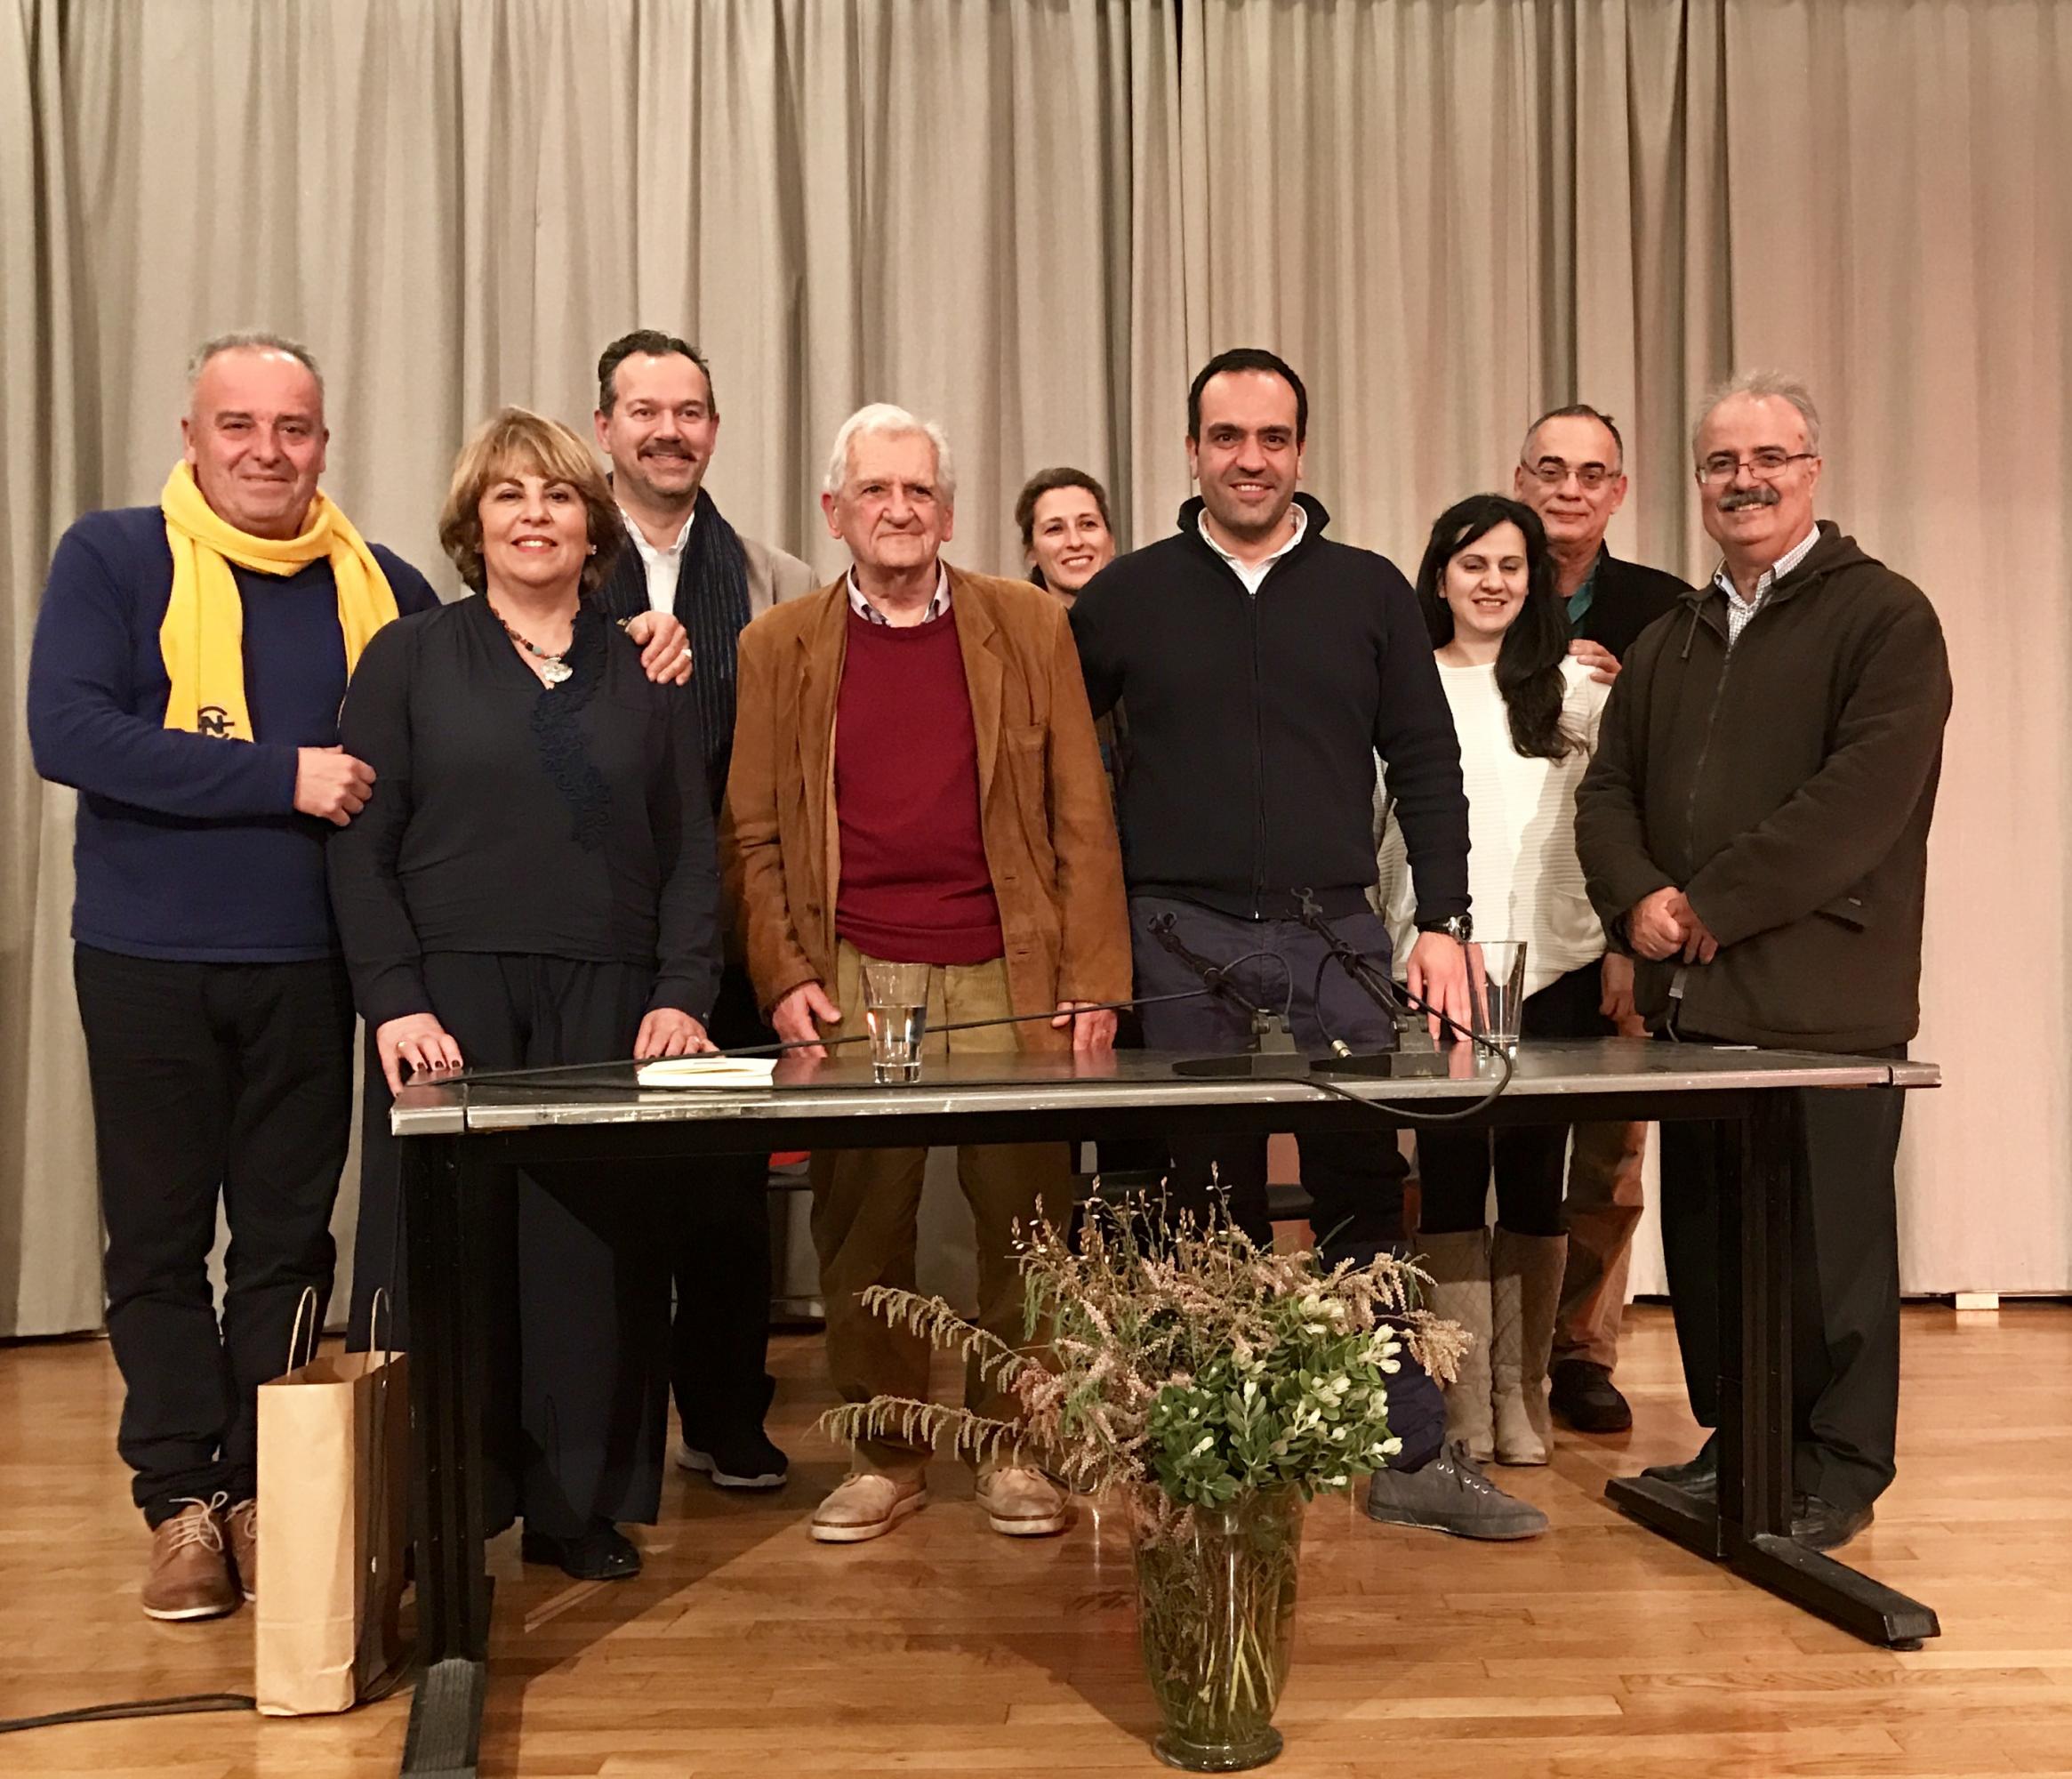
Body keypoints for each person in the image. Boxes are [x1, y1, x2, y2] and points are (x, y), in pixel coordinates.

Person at [1072, 349, 1538, 1542]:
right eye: (1226, 437)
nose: (1249, 459)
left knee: (1362, 1188)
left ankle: (1407, 1451)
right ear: (1190, 451)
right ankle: (1217, 1455)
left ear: (1300, 451)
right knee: (1202, 1195)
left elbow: (1424, 765)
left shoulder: (1368, 591)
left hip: (1333, 927)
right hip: (1174, 933)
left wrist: (1443, 924)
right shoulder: (1125, 597)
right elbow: (1059, 770)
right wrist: (1082, 948)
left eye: (1271, 437)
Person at [24, 334, 440, 1620]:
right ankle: (179, 1501)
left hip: (311, 966)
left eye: (293, 427)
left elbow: (488, 692)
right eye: (239, 424)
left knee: (285, 1244)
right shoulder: (114, 556)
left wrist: (637, 640)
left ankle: (263, 1487)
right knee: (156, 1244)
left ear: (324, 441)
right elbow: (69, 731)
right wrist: (280, 774)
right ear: (192, 435)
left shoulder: (385, 585)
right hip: (145, 960)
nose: (268, 450)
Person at [723, 403, 1130, 1544]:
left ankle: (1016, 1446)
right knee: (863, 1224)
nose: (897, 510)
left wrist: (1093, 971)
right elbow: (750, 831)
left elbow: (1080, 810)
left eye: (918, 491)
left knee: (1026, 1220)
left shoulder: (1026, 624)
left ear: (948, 512)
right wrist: (782, 975)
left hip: (1010, 963)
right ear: (833, 511)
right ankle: (885, 1451)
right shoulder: (778, 645)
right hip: (854, 968)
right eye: (874, 490)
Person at [329, 407, 723, 1582]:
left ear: (592, 525)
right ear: (474, 523)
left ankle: (572, 1510)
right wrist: (395, 1000)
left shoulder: (645, 664)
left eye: (556, 495)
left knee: (588, 1266)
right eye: (509, 495)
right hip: (446, 1002)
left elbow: (689, 853)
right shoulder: (406, 656)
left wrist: (681, 991)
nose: (534, 516)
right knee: (444, 1263)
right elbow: (361, 849)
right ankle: (435, 1511)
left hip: (608, 1000)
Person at [1575, 372, 1952, 1553]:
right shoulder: (1670, 637)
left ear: (1811, 471)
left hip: (1823, 998)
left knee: (1827, 1250)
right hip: (1696, 1007)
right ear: (1696, 482)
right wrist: (1635, 897)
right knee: (1712, 1241)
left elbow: (1858, 800)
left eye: (1767, 458)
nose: (1743, 481)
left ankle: (1833, 1463)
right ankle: (1741, 1441)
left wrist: (1711, 905)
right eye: (1720, 463)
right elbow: (1607, 792)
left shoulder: (1884, 619)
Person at [590, 328, 816, 1493]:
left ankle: (726, 1410)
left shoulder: (775, 578)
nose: (667, 431)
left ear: (714, 431)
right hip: (590, 925)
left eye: (688, 412)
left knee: (727, 1191)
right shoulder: (558, 560)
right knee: (605, 1190)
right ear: (604, 429)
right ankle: (605, 1436)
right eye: (644, 411)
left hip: (726, 925)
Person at [1376, 495, 1610, 1472]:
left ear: (1534, 580)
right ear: (1440, 575)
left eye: (1511, 565)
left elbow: (1608, 822)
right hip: (1441, 968)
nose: (1491, 581)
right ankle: (1462, 1395)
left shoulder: (1577, 690)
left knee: (1535, 1179)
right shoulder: (1401, 685)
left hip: (1553, 967)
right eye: (1472, 563)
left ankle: (1523, 1394)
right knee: (1449, 1180)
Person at [1512, 404, 1693, 1435]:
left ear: (1618, 491)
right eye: (1549, 468)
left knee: (1603, 1155)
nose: (1567, 489)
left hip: (1613, 920)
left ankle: (1578, 1350)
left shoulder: (1663, 608)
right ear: (1519, 479)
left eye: (1590, 473)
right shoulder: (1471, 585)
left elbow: (1678, 782)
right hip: (1494, 915)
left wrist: (1633, 931)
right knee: (1449, 1143)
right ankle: (1457, 1348)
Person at [1015, 467, 1116, 607]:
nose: (1075, 542)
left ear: (1111, 541)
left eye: (1088, 524)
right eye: (1055, 529)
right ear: (1031, 551)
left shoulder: (1146, 610)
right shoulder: (1011, 620)